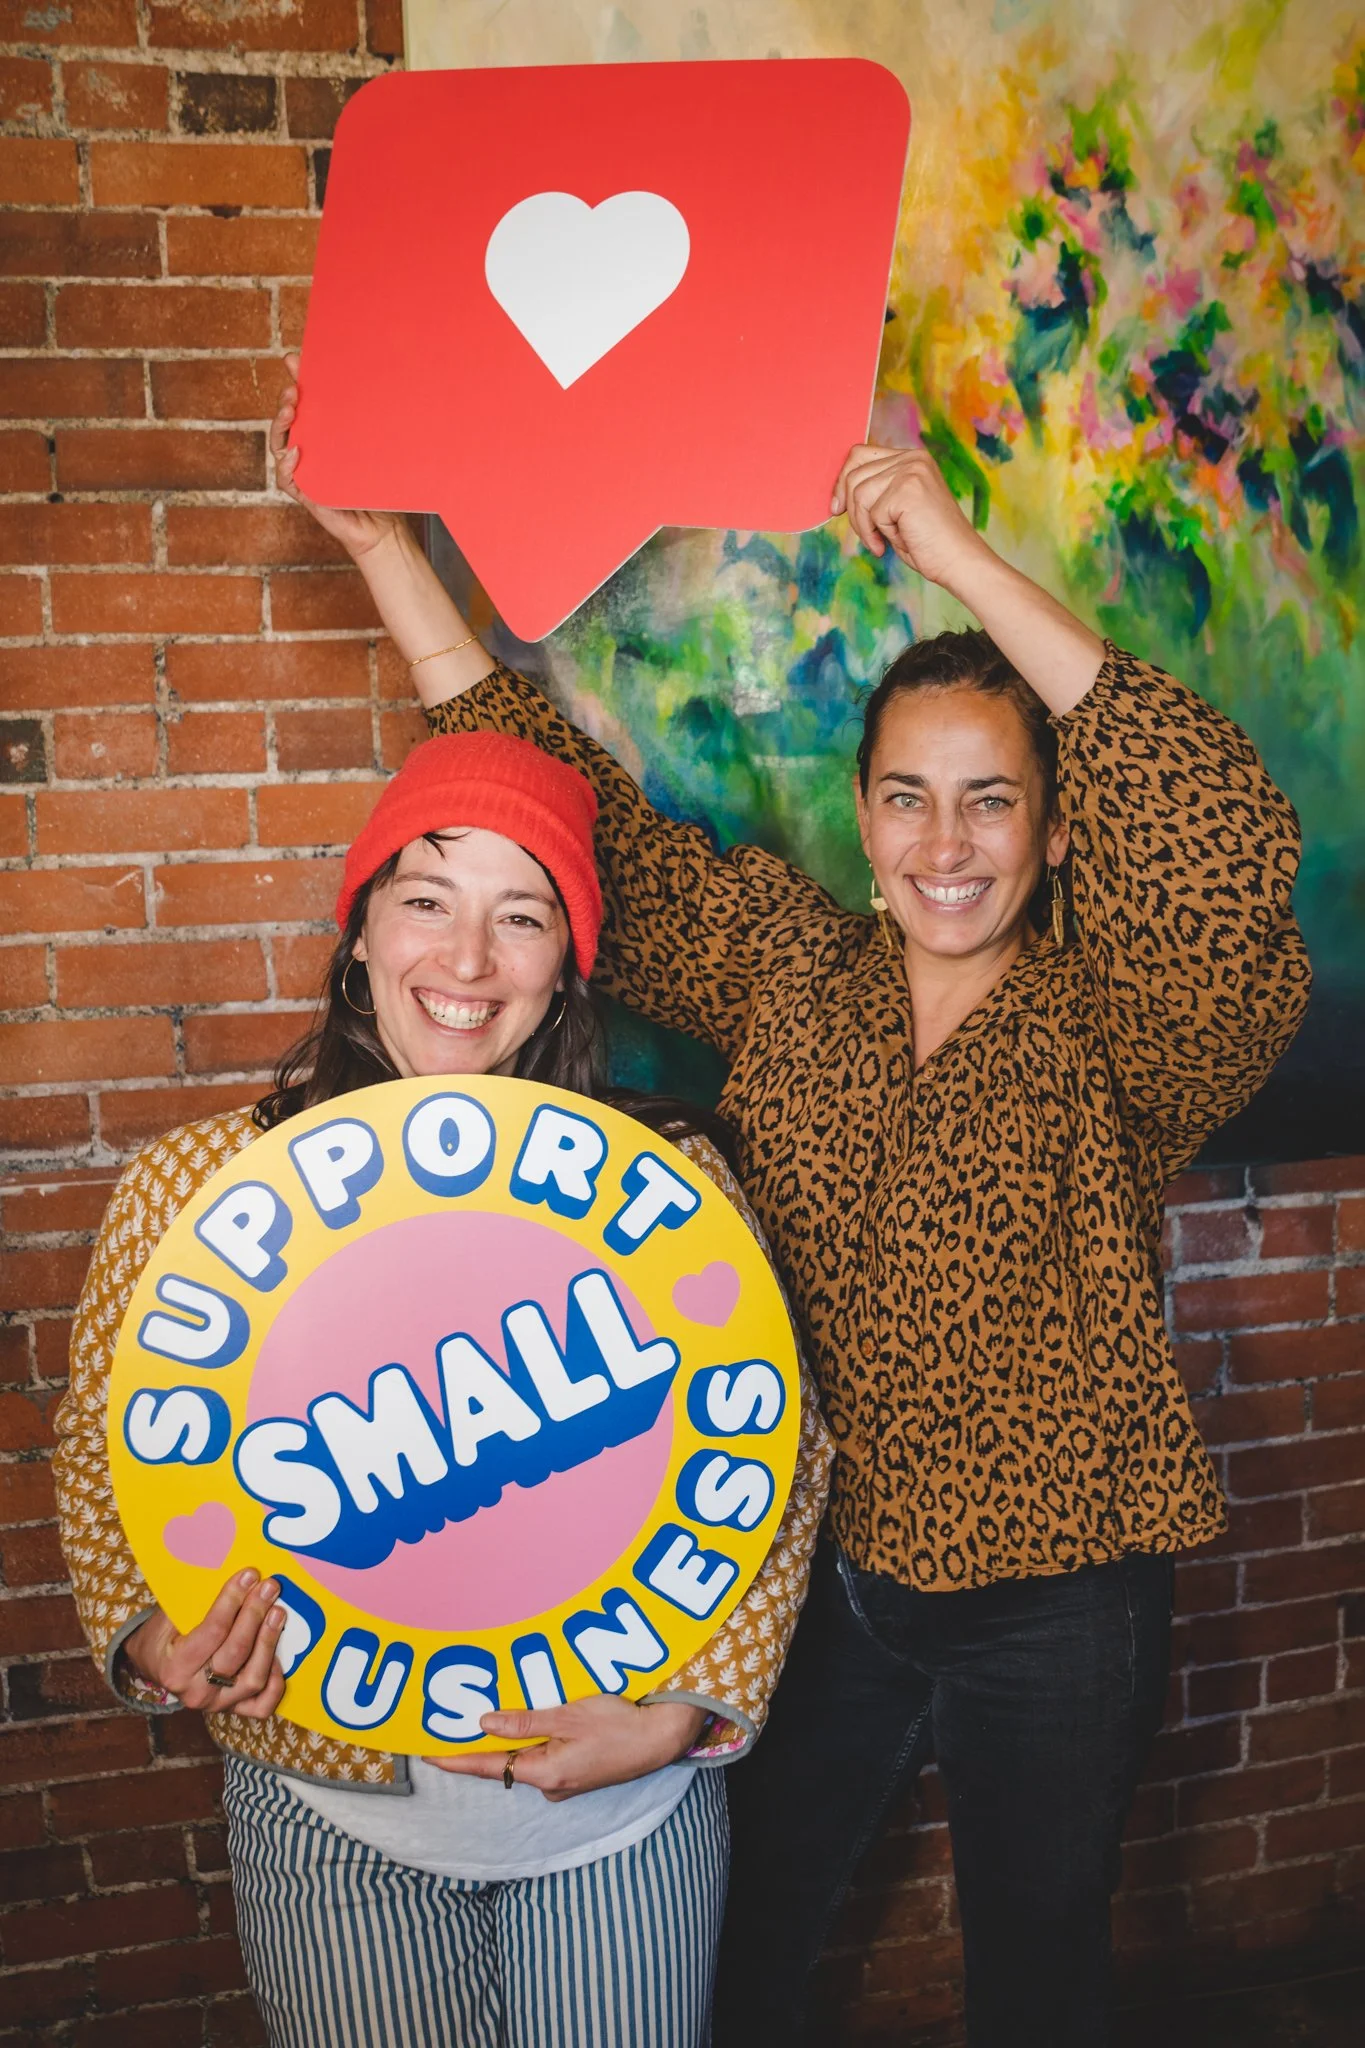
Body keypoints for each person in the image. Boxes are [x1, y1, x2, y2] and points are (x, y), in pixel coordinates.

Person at [271, 364, 1310, 2045]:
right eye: (909, 794)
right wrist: (389, 553)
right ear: (864, 815)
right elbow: (566, 815)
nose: (946, 841)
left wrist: (955, 556)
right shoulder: (793, 975)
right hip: (808, 1573)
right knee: (735, 1964)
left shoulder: (1128, 1024)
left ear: (1055, 833)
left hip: (1061, 1602)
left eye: (993, 798)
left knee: (1040, 1982)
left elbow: (1213, 839)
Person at [53, 726, 834, 2048]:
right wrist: (151, 1637)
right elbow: (98, 1445)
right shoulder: (194, 1189)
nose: (467, 962)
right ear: (359, 930)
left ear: (566, 965)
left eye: (519, 916)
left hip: (618, 1823)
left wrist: (683, 1718)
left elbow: (778, 1446)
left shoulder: (675, 1185)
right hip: (326, 1817)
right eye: (427, 900)